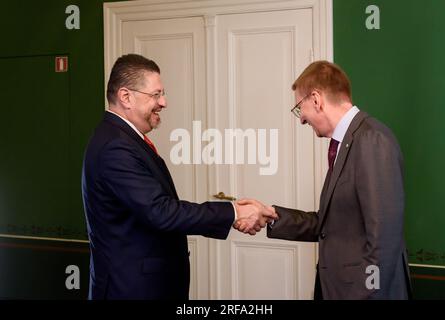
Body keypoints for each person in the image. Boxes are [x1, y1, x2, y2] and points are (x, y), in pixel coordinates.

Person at [81, 53, 277, 300]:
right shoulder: (115, 147)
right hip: (131, 290)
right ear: (125, 97)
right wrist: (234, 212)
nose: (163, 102)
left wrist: (234, 212)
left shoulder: (124, 140)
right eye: (156, 94)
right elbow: (161, 212)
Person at [236, 61, 412, 299]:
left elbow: (384, 242)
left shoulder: (371, 140)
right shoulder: (345, 143)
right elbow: (330, 224)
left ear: (316, 99)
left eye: (299, 108)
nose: (300, 119)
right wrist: (270, 215)